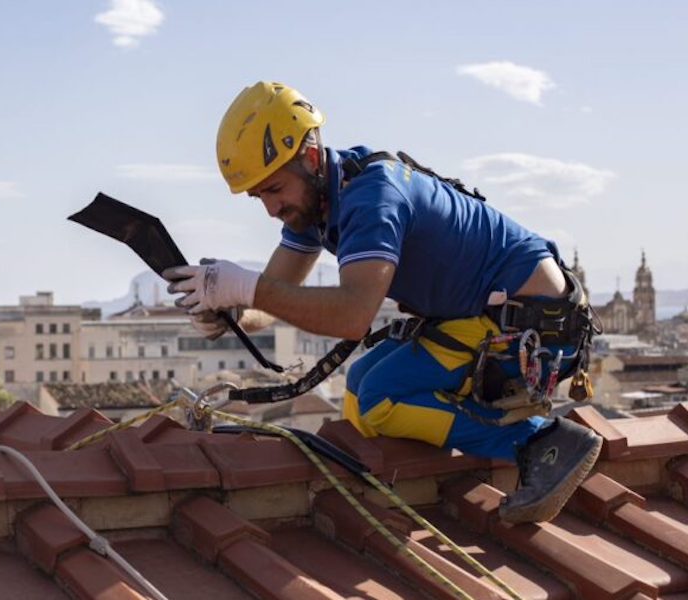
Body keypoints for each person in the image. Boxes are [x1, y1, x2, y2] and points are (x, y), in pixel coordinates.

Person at [163, 81, 601, 524]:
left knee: (378, 398)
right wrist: (232, 314)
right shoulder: (320, 200)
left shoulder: (372, 199)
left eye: (275, 189)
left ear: (311, 157)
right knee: (360, 385)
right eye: (260, 196)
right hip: (490, 317)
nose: (271, 208)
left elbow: (352, 316)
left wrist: (247, 288)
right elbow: (276, 295)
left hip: (531, 328)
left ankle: (541, 443)